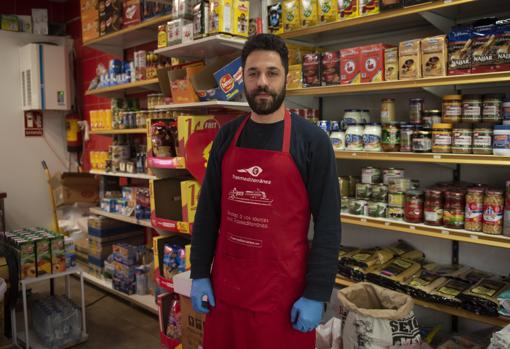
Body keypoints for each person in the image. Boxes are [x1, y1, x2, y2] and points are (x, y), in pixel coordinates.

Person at [190, 33, 341, 349]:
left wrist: (316, 294)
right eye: (253, 73)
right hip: (226, 292)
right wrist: (200, 272)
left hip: (282, 300)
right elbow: (207, 212)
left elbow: (328, 226)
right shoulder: (227, 137)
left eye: (272, 73)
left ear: (286, 77)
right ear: (242, 78)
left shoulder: (312, 142)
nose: (262, 82)